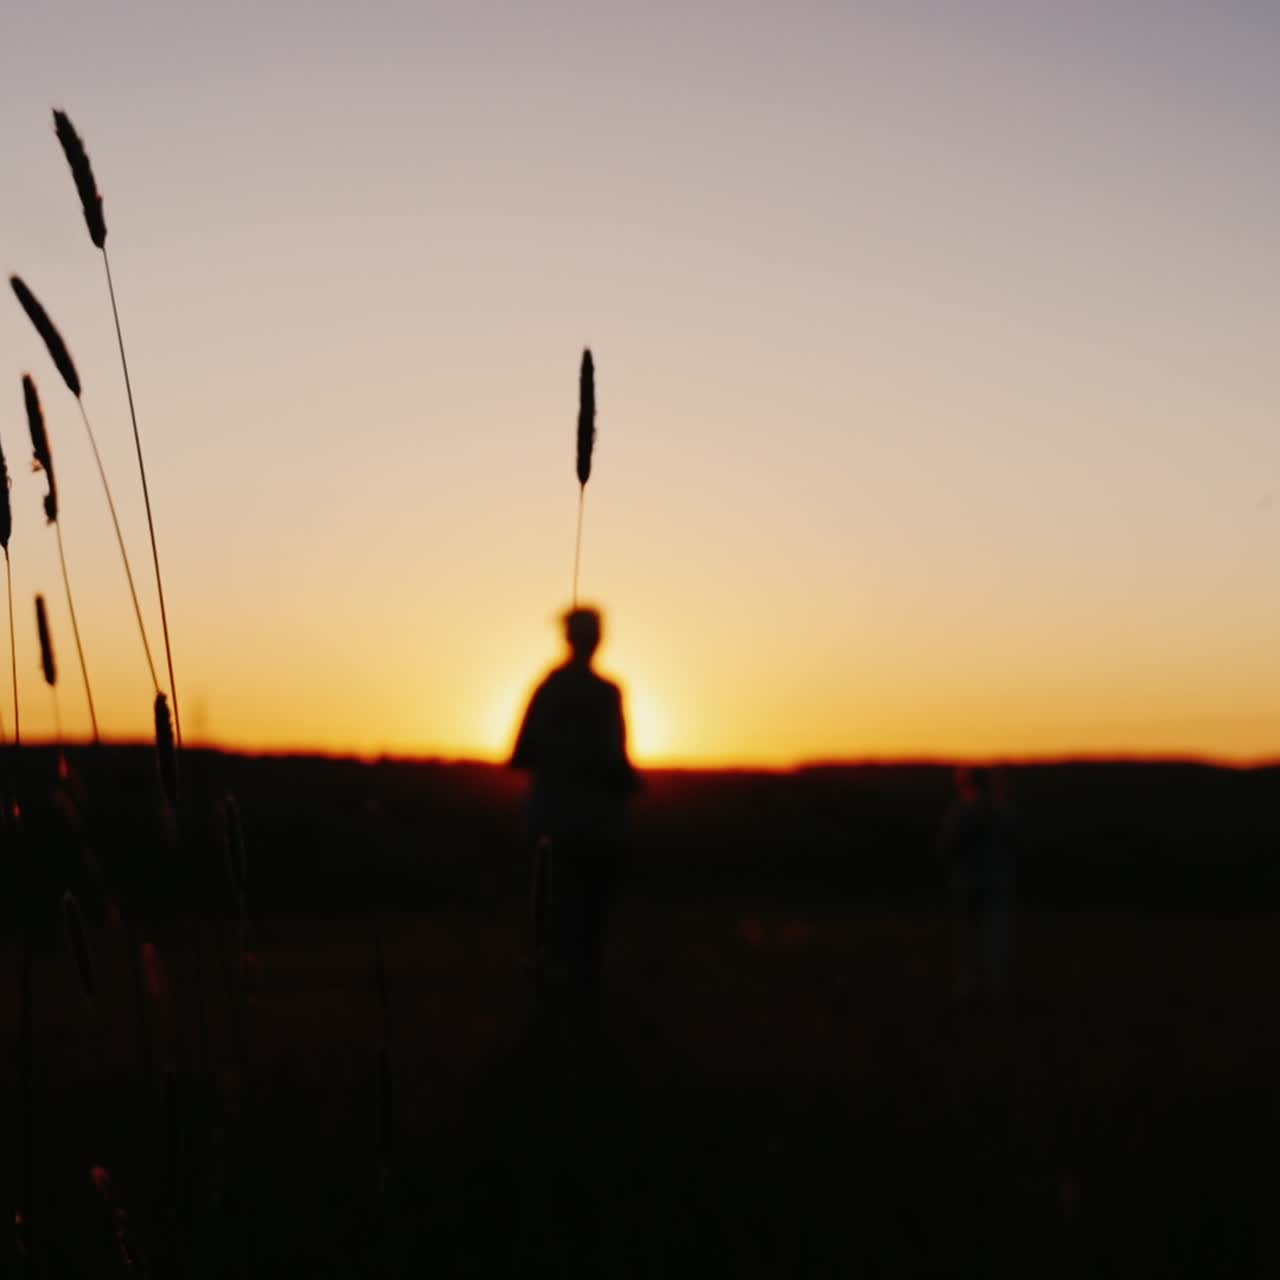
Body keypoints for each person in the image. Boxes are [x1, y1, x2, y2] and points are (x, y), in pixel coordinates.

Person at [510, 606, 638, 1023]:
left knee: (563, 914)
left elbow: (521, 754)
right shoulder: (603, 692)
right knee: (581, 916)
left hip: (561, 821)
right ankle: (574, 1002)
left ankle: (563, 1002)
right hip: (586, 824)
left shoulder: (554, 689)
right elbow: (617, 762)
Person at [936, 765, 1017, 1004]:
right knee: (994, 935)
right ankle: (994, 987)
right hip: (995, 882)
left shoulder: (960, 812)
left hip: (967, 882)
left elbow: (946, 846)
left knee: (968, 936)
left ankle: (969, 986)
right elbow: (1016, 844)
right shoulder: (1002, 812)